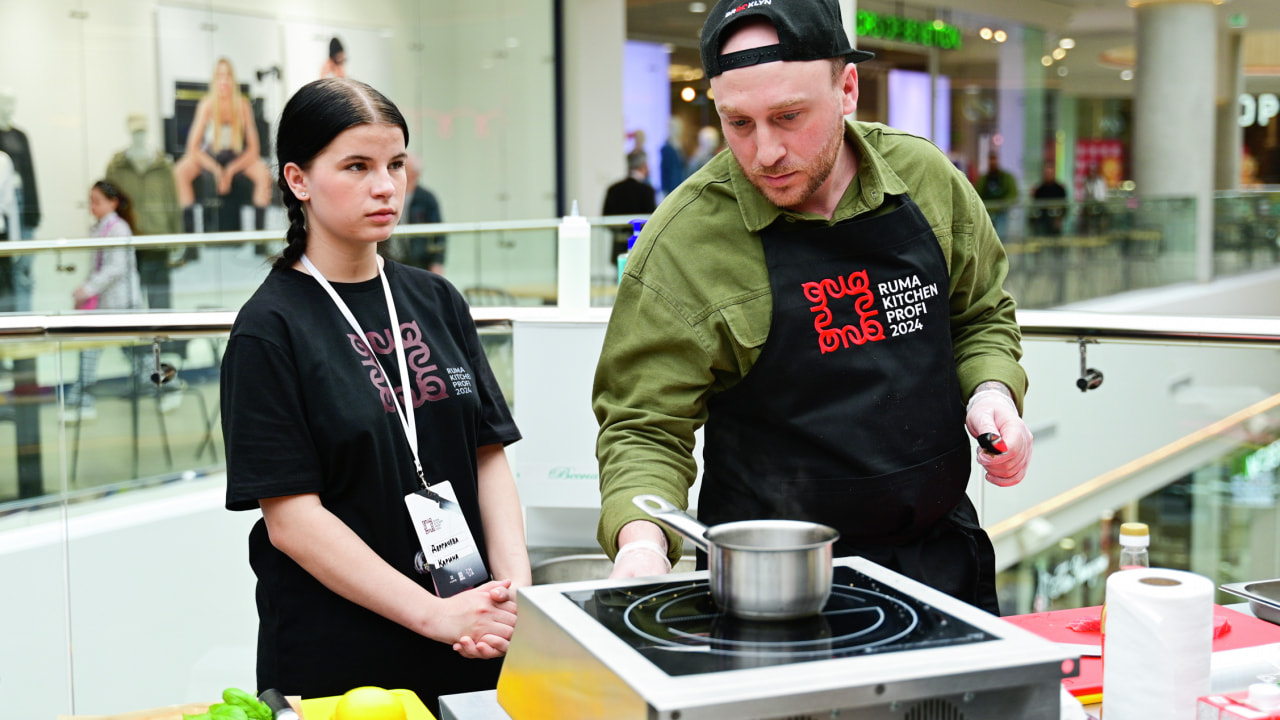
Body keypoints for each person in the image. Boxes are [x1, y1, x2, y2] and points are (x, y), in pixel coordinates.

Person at [593, 0, 1033, 615]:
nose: (765, 152)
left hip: (938, 563)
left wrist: (992, 393)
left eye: (788, 116)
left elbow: (980, 315)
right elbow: (644, 427)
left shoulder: (925, 178)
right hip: (767, 585)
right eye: (738, 123)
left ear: (847, 87)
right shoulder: (685, 243)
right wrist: (641, 550)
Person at [221, 78, 530, 716]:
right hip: (343, 655)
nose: (386, 186)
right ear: (298, 181)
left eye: (394, 164)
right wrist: (435, 615)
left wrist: (511, 593)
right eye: (357, 167)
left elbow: (487, 451)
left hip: (471, 632)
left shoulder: (436, 298)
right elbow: (293, 522)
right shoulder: (270, 328)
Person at [65, 181, 145, 422]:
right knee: (89, 350)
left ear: (113, 202)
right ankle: (82, 399)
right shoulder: (99, 228)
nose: (92, 207)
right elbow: (97, 267)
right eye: (90, 201)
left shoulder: (119, 228)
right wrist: (85, 292)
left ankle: (168, 385)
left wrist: (88, 289)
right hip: (104, 305)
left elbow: (115, 268)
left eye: (97, 201)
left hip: (123, 303)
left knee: (141, 357)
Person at [172, 58, 273, 232]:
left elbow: (253, 148)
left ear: (233, 79)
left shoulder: (243, 105)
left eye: (227, 76)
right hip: (211, 154)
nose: (224, 81)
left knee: (264, 174)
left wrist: (231, 169)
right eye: (220, 76)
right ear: (214, 79)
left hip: (235, 155)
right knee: (180, 171)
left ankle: (260, 243)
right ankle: (189, 245)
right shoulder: (207, 105)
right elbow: (193, 147)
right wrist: (216, 169)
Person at [601, 150, 656, 262]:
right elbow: (653, 220)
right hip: (640, 246)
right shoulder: (647, 191)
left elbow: (606, 217)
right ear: (643, 166)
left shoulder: (613, 189)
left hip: (618, 244)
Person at [976, 149, 1018, 239]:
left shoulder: (1006, 177)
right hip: (987, 212)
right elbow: (977, 193)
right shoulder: (984, 179)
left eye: (994, 159)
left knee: (1001, 237)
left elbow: (1012, 193)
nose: (992, 162)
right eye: (991, 160)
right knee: (987, 238)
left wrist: (1003, 204)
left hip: (1001, 212)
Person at [1030, 165, 1068, 237]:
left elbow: (1065, 205)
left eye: (1050, 173)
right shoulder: (1039, 189)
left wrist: (1060, 219)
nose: (1048, 175)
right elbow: (1035, 205)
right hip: (1042, 220)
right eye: (1046, 173)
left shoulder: (1059, 189)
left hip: (1055, 220)